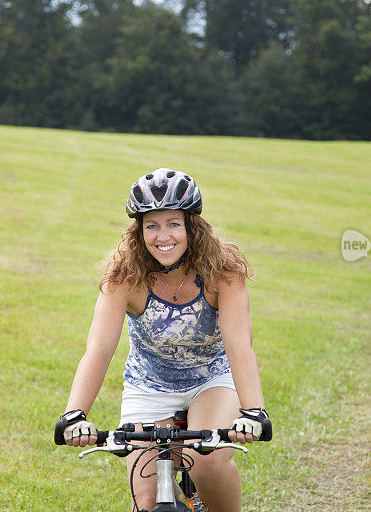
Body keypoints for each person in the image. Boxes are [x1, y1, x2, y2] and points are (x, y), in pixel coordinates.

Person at [57, 168, 270, 511]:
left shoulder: (223, 271)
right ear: (138, 232)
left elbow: (239, 345)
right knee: (147, 502)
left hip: (211, 380)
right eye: (151, 226)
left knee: (206, 461)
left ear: (191, 227)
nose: (162, 236)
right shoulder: (124, 275)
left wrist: (253, 410)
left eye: (173, 223)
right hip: (148, 386)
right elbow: (98, 350)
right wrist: (74, 414)